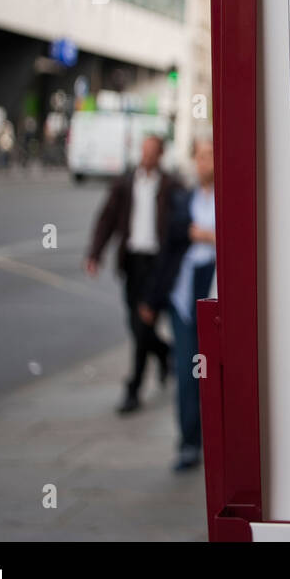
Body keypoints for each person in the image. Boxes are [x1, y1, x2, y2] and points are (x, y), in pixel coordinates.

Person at [85, 134, 181, 414]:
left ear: (160, 155)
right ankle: (165, 353)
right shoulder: (126, 183)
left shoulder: (170, 186)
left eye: (152, 152)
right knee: (135, 323)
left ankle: (133, 390)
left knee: (142, 324)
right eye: (144, 151)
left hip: (157, 264)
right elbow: (107, 219)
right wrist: (95, 254)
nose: (146, 156)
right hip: (132, 262)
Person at [144, 137, 216, 471]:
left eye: (212, 154)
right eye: (202, 156)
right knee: (189, 374)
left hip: (216, 292)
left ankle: (219, 443)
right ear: (194, 161)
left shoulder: (230, 198)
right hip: (185, 297)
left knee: (216, 374)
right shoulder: (184, 198)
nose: (207, 162)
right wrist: (152, 300)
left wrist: (204, 235)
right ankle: (189, 442)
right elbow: (170, 243)